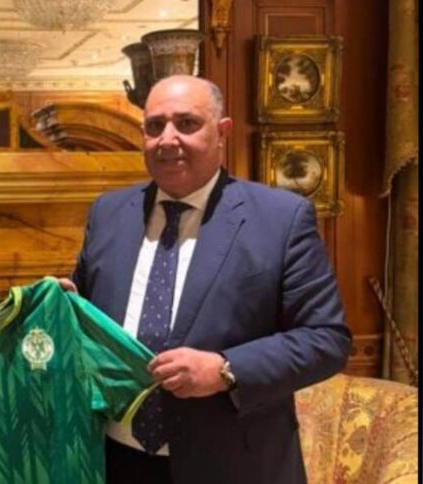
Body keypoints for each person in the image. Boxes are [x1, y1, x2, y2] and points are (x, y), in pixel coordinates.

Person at [59, 75, 350, 484]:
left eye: (187, 123)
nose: (168, 139)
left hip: (233, 465)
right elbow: (89, 319)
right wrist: (64, 305)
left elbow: (327, 339)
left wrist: (226, 370)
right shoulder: (108, 213)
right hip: (116, 461)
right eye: (155, 126)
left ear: (222, 132)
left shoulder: (281, 219)